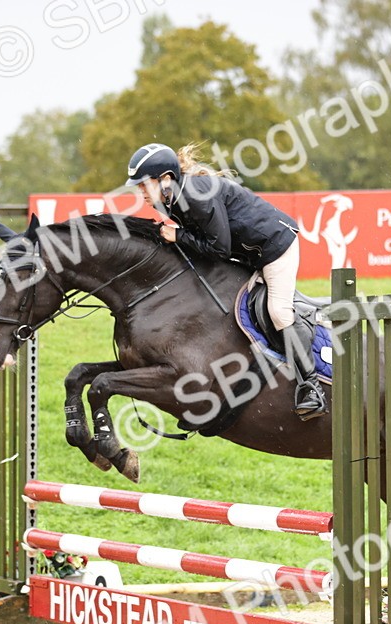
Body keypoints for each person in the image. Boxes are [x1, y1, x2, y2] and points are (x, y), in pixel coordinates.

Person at [125, 142, 327, 421]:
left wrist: (178, 236)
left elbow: (219, 248)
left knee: (278, 311)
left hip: (275, 247)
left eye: (144, 185)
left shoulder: (195, 195)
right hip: (248, 254)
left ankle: (311, 387)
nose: (142, 193)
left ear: (166, 179)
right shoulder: (169, 200)